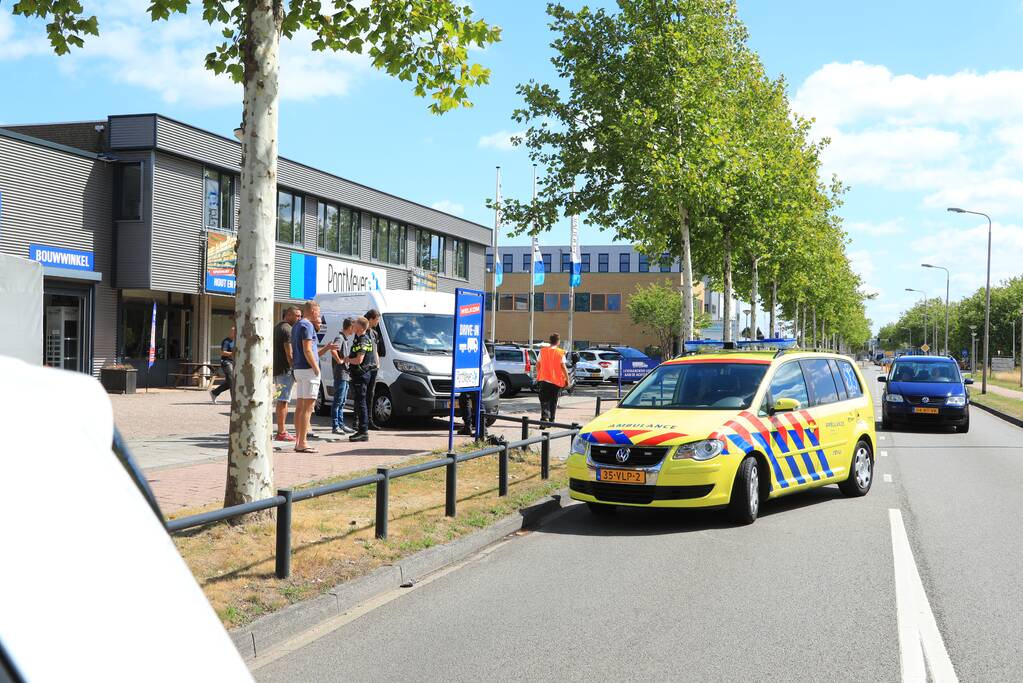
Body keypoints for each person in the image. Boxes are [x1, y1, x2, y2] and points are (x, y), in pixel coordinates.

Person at [291, 300, 336, 453]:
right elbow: (308, 350)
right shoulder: (307, 325)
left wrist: (327, 348)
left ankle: (298, 440)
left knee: (300, 407)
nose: (319, 315)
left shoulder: (297, 325)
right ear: (312, 311)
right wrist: (316, 368)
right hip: (308, 370)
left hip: (299, 369)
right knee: (307, 408)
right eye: (318, 311)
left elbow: (312, 350)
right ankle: (302, 442)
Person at [273, 306, 302, 441]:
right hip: (285, 371)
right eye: (297, 315)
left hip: (278, 370)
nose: (299, 318)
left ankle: (281, 430)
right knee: (283, 401)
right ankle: (281, 432)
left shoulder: (278, 327)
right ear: (289, 315)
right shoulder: (288, 330)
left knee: (280, 400)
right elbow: (289, 353)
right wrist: (294, 368)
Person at [347, 316, 376, 442]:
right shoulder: (358, 339)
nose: (353, 325)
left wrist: (346, 360)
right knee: (359, 403)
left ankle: (363, 431)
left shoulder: (363, 340)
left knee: (361, 403)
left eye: (355, 323)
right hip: (358, 375)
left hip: (361, 375)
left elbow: (359, 360)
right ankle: (361, 430)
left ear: (360, 327)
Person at [330, 318, 357, 435]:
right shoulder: (340, 338)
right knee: (338, 401)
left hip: (345, 375)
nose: (354, 330)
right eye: (354, 327)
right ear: (350, 327)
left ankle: (341, 424)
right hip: (340, 374)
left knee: (342, 401)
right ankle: (335, 426)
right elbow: (333, 350)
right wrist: (340, 361)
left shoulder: (344, 339)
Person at [536, 333, 569, 422]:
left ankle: (544, 419)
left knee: (544, 401)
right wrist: (568, 380)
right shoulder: (560, 352)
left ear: (550, 341)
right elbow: (563, 368)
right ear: (558, 342)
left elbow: (537, 365)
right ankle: (552, 420)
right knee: (553, 401)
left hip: (544, 380)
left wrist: (539, 375)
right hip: (556, 382)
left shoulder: (542, 351)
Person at [364, 309, 382, 430]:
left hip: (374, 367)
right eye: (377, 319)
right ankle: (358, 421)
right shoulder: (362, 332)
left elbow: (376, 350)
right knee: (361, 395)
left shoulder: (374, 333)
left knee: (370, 394)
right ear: (371, 319)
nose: (378, 322)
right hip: (365, 367)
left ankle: (369, 421)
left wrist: (378, 363)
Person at [209, 326, 236, 404]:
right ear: (230, 332)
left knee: (229, 382)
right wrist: (233, 353)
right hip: (226, 362)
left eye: (235, 332)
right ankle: (234, 400)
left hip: (233, 363)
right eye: (233, 332)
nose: (234, 333)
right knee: (231, 381)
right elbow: (222, 352)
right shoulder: (226, 341)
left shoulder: (235, 341)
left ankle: (214, 393)